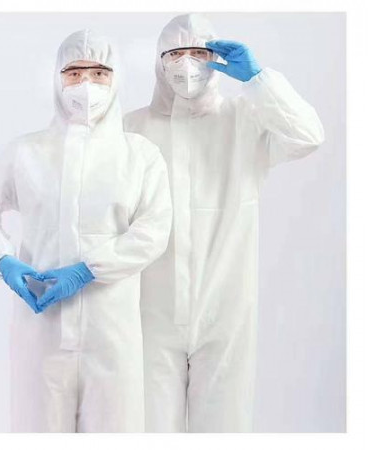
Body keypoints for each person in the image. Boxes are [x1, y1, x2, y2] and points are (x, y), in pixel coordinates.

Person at [123, 13, 325, 432]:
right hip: (148, 312)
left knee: (224, 430)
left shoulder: (245, 118)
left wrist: (258, 80)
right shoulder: (131, 128)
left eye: (199, 53)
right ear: (159, 61)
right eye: (176, 53)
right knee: (146, 428)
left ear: (215, 59)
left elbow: (308, 137)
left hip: (225, 311)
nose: (187, 64)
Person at [0, 29, 172, 433]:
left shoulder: (140, 156)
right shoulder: (25, 152)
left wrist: (87, 269)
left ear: (116, 80)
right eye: (74, 73)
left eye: (99, 73)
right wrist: (3, 260)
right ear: (57, 79)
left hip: (111, 333)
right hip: (41, 331)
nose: (86, 84)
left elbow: (154, 230)